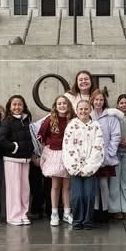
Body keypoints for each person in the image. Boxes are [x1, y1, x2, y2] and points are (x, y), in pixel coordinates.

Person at [62, 99, 104, 230]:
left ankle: (87, 220)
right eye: (81, 109)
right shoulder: (71, 125)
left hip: (90, 168)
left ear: (90, 110)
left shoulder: (96, 126)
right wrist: (76, 167)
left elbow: (98, 147)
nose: (83, 111)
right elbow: (68, 147)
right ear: (76, 110)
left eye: (86, 109)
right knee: (77, 195)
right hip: (75, 168)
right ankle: (77, 220)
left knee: (89, 195)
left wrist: (89, 167)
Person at [0, 94, 35, 226]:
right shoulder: (7, 121)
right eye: (14, 104)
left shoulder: (26, 120)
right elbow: (0, 138)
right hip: (12, 160)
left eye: (20, 104)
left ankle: (23, 214)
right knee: (14, 189)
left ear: (23, 106)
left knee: (25, 189)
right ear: (10, 107)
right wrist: (14, 147)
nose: (17, 107)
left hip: (25, 160)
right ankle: (13, 216)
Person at [38, 95, 74, 225]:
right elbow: (41, 135)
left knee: (67, 186)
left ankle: (66, 212)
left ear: (68, 105)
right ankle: (54, 213)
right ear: (55, 106)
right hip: (55, 154)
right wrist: (48, 146)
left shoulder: (73, 119)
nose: (62, 106)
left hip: (69, 155)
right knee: (55, 185)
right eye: (59, 104)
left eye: (64, 103)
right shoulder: (50, 119)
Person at [90, 89, 121, 222]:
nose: (98, 102)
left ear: (104, 101)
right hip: (91, 157)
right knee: (94, 184)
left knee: (103, 183)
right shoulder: (88, 114)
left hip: (106, 156)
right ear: (92, 100)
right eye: (96, 99)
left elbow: (116, 136)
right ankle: (95, 210)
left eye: (101, 100)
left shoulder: (110, 116)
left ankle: (105, 211)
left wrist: (110, 152)